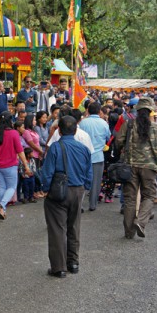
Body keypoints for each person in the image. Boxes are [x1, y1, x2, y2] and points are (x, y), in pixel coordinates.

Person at [39, 116, 92, 278]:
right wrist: (85, 187)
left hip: (58, 191)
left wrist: (45, 189)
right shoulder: (83, 149)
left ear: (59, 130)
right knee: (74, 226)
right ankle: (73, 262)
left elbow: (47, 173)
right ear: (75, 130)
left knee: (57, 229)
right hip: (78, 190)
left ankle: (59, 267)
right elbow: (89, 173)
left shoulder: (55, 147)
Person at [116, 97, 157, 239]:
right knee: (149, 196)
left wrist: (123, 151)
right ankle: (141, 221)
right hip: (149, 166)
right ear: (151, 111)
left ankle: (129, 232)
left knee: (130, 199)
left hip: (130, 166)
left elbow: (119, 141)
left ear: (137, 110)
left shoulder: (129, 124)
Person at [0, 111, 30, 220]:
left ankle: (2, 211)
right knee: (11, 187)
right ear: (10, 120)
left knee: (2, 187)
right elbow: (20, 151)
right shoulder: (13, 133)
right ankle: (2, 205)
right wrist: (26, 165)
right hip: (10, 165)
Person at [78, 102, 111, 211]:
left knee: (81, 181)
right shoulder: (104, 123)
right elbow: (108, 137)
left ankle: (80, 204)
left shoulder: (83, 123)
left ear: (88, 110)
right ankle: (92, 205)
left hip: (83, 156)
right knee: (96, 182)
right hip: (98, 156)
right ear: (99, 111)